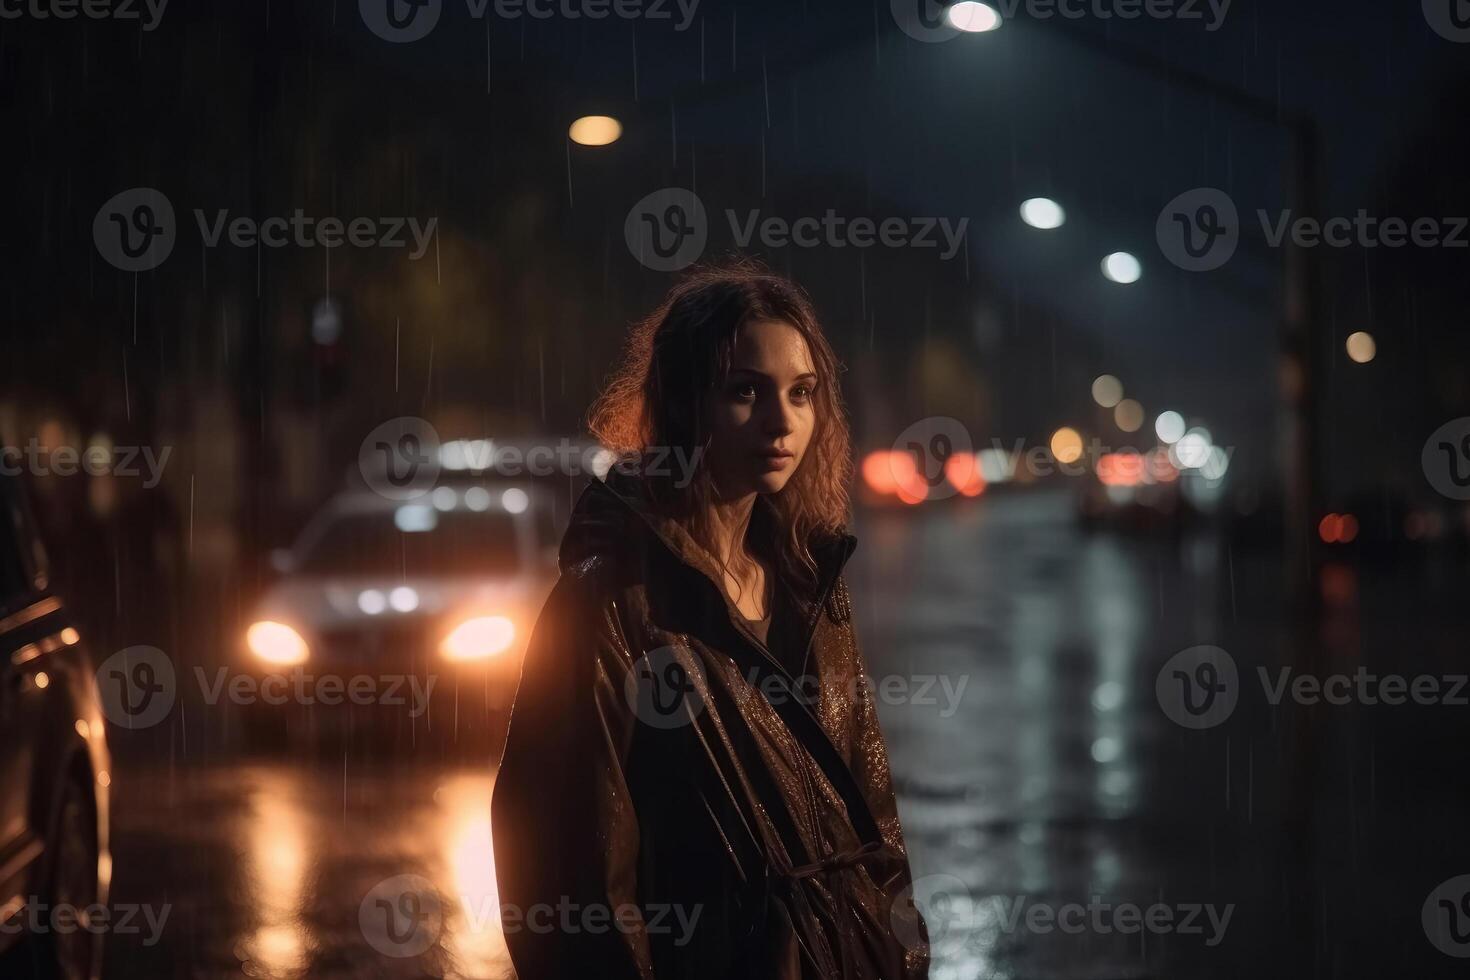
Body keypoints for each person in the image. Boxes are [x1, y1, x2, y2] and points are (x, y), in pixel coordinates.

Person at [491, 260, 930, 979]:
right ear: (686, 402)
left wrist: (904, 955)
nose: (781, 421)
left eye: (802, 393)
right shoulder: (612, 604)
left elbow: (873, 821)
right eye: (744, 391)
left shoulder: (810, 586)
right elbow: (565, 877)